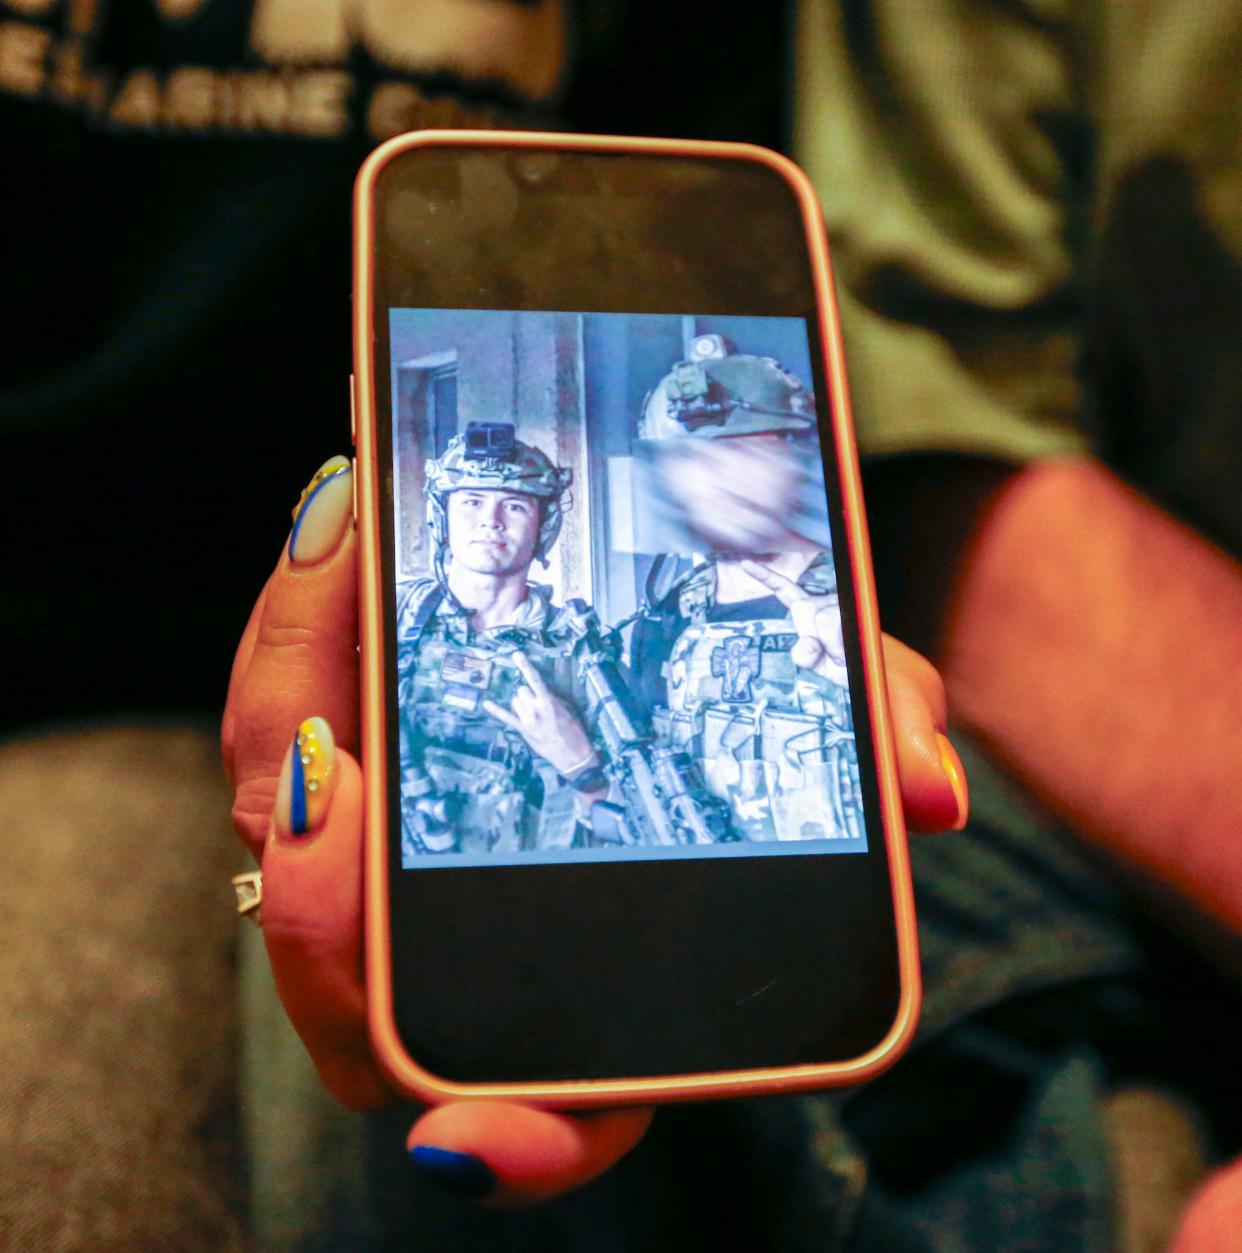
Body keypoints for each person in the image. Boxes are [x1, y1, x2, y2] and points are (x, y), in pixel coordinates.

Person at [394, 420, 608, 857]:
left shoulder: (582, 654)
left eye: (514, 506)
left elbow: (625, 819)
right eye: (472, 501)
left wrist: (583, 765)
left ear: (543, 527)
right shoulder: (388, 618)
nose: (490, 521)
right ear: (442, 517)